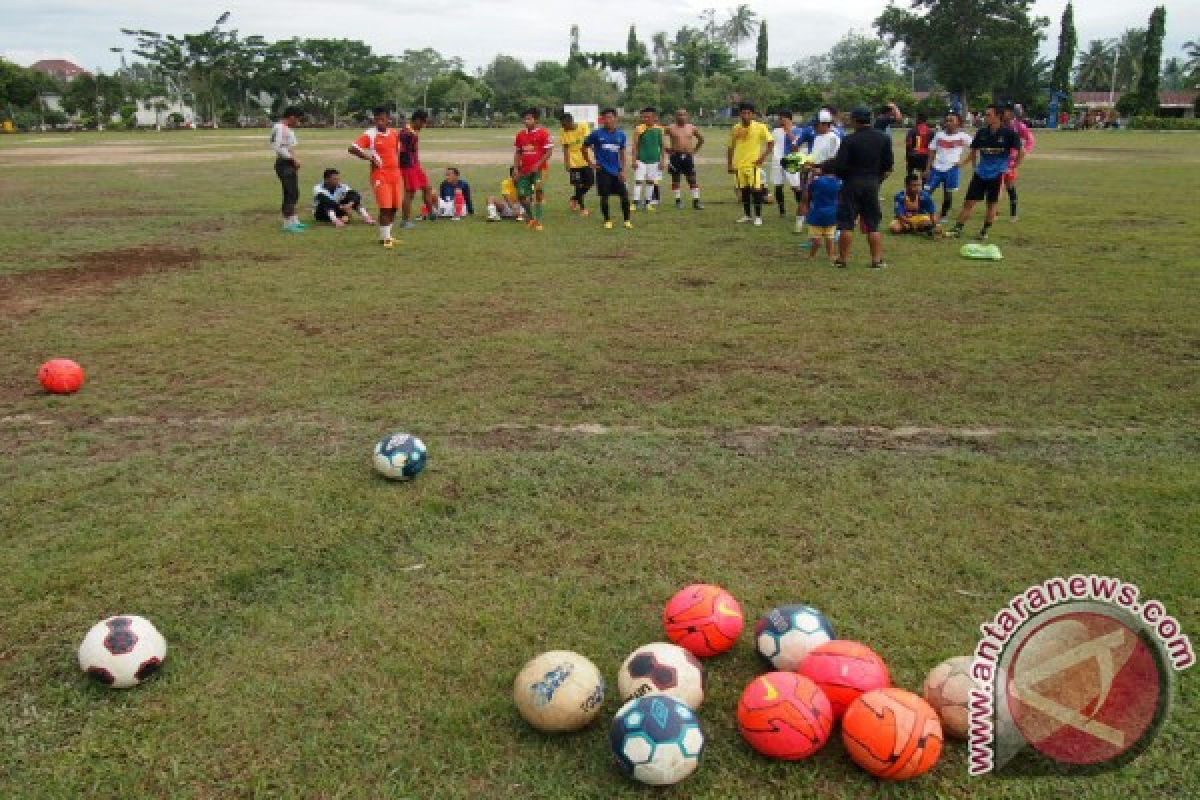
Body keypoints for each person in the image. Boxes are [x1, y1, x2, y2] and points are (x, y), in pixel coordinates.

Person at [831, 106, 894, 269]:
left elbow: (839, 166)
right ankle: (877, 260)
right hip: (872, 183)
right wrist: (876, 179)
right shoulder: (883, 138)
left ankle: (843, 260)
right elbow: (888, 166)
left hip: (851, 183)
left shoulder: (849, 140)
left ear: (856, 120)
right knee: (873, 224)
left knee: (846, 223)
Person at [950, 103, 1024, 241]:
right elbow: (973, 150)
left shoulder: (1009, 134)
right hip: (980, 173)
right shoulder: (982, 132)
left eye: (989, 114)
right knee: (968, 203)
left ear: (998, 116)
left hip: (996, 175)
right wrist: (971, 166)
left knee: (991, 205)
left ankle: (984, 232)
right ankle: (957, 229)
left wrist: (1013, 167)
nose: (985, 117)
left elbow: (1022, 152)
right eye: (985, 114)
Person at [348, 106, 404, 247]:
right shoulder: (370, 134)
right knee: (385, 207)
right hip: (380, 176)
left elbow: (397, 152)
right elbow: (352, 148)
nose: (379, 122)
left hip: (395, 175)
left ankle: (387, 236)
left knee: (394, 207)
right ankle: (385, 239)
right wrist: (369, 158)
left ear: (388, 120)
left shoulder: (394, 134)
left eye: (382, 119)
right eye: (377, 119)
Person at [582, 107, 632, 229]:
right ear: (602, 120)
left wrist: (623, 170)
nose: (607, 120)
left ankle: (627, 220)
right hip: (602, 170)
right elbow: (583, 147)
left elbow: (623, 153)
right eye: (605, 118)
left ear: (615, 118)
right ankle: (607, 220)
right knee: (605, 196)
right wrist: (590, 163)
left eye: (610, 117)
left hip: (617, 171)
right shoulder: (596, 134)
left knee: (624, 196)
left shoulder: (621, 135)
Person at [727, 102, 773, 226]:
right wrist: (729, 164)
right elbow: (730, 147)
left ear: (753, 114)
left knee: (756, 190)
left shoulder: (760, 127)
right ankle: (747, 216)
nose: (746, 115)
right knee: (744, 191)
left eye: (749, 113)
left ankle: (758, 217)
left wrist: (763, 157)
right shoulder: (735, 128)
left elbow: (771, 143)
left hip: (753, 165)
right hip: (738, 165)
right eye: (743, 113)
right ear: (740, 114)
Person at [923, 112, 971, 223]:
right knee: (926, 192)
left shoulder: (963, 136)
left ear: (958, 122)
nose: (948, 123)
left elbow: (975, 149)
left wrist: (963, 162)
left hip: (952, 169)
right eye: (947, 120)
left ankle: (943, 215)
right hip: (936, 169)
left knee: (948, 194)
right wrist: (927, 168)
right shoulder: (939, 135)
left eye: (951, 120)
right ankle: (923, 211)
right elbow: (931, 150)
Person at [513, 108, 554, 231]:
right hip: (524, 170)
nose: (526, 121)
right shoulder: (520, 134)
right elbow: (518, 152)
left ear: (536, 119)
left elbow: (549, 152)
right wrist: (515, 168)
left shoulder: (543, 133)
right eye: (525, 119)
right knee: (521, 195)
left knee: (538, 192)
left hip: (539, 170)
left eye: (529, 118)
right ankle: (531, 218)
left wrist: (538, 164)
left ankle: (539, 221)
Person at [270, 106, 307, 232]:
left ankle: (294, 220)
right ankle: (287, 223)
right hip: (284, 163)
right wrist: (292, 159)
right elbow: (278, 147)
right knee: (290, 193)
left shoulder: (288, 129)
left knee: (294, 192)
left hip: (289, 163)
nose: (299, 123)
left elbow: (291, 147)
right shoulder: (279, 128)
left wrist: (294, 159)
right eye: (298, 120)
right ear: (292, 117)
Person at [399, 110, 433, 229]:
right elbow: (401, 151)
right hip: (408, 166)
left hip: (415, 165)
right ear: (417, 120)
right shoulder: (406, 133)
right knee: (410, 193)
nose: (424, 126)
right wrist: (405, 166)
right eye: (423, 123)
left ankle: (431, 213)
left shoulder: (413, 131)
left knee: (427, 187)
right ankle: (405, 221)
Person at [1002, 102, 1036, 222]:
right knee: (995, 187)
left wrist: (1025, 151)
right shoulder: (999, 125)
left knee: (1010, 187)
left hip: (1011, 162)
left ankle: (1013, 214)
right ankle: (993, 211)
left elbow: (1030, 139)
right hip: (998, 160)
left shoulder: (1019, 126)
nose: (1005, 113)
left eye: (1008, 111)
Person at [665, 109, 705, 209]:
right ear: (675, 116)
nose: (681, 117)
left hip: (687, 156)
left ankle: (696, 201)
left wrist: (695, 150)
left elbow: (701, 139)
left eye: (683, 115)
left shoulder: (692, 127)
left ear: (687, 116)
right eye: (679, 115)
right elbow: (660, 137)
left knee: (692, 179)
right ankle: (678, 201)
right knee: (676, 179)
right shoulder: (670, 128)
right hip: (675, 156)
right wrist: (666, 148)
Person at [770, 111, 804, 220]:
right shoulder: (775, 131)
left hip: (791, 160)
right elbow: (771, 144)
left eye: (784, 119)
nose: (782, 121)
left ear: (790, 119)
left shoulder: (798, 130)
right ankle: (782, 211)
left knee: (795, 186)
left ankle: (802, 209)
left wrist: (788, 131)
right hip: (777, 161)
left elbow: (797, 144)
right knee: (778, 185)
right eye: (780, 119)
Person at [631, 107, 666, 212]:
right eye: (644, 117)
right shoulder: (639, 129)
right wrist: (634, 160)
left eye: (648, 117)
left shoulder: (659, 129)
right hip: (641, 160)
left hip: (655, 161)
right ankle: (635, 203)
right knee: (638, 181)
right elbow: (635, 146)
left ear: (654, 117)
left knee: (651, 182)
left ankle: (647, 203)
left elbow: (662, 146)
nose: (645, 119)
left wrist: (663, 160)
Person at [805, 164, 841, 264]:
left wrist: (811, 175)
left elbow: (808, 190)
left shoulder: (817, 182)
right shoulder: (839, 183)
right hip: (832, 214)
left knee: (816, 239)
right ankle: (831, 256)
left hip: (817, 214)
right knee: (830, 237)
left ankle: (812, 256)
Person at [560, 113, 593, 216]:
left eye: (564, 125)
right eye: (562, 125)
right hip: (573, 163)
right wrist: (567, 163)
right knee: (577, 185)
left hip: (586, 160)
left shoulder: (583, 126)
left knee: (590, 183)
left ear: (571, 122)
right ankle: (583, 208)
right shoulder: (563, 132)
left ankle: (574, 198)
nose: (563, 127)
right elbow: (565, 148)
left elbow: (589, 141)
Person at [905, 111, 933, 177]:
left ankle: (910, 183)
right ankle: (924, 185)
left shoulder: (912, 130)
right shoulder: (931, 131)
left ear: (918, 119)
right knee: (925, 175)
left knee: (910, 174)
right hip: (926, 156)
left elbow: (908, 144)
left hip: (914, 155)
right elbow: (933, 147)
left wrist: (907, 157)